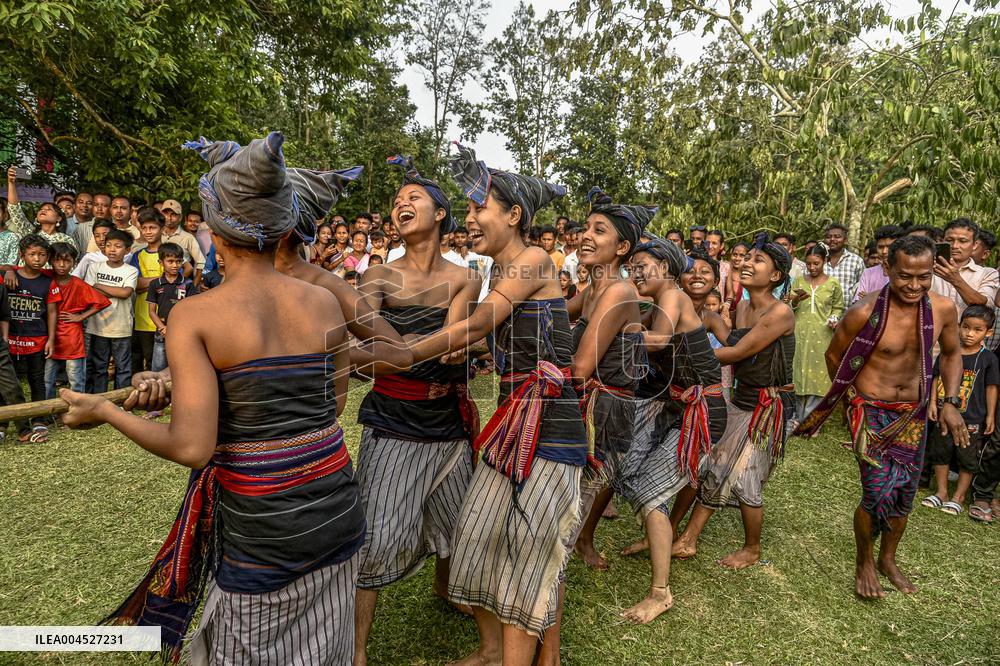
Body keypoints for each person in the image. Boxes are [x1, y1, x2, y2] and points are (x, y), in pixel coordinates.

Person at [62, 132, 381, 664]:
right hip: (336, 509)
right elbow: (329, 407)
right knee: (324, 646)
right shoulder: (326, 302)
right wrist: (187, 385)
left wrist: (105, 410)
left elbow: (192, 446)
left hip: (266, 530)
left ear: (216, 226)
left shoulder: (196, 314)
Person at [403, 143, 585, 666]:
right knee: (476, 537)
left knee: (529, 556)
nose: (471, 220)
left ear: (513, 215)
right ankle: (492, 648)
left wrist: (405, 351)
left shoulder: (531, 261)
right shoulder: (498, 276)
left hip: (551, 431)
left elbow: (481, 324)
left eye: (479, 208)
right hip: (511, 428)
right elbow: (488, 339)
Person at [352, 154, 482, 666]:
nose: (401, 205)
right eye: (397, 201)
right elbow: (358, 354)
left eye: (414, 198)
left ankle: (448, 590)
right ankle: (357, 649)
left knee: (461, 523)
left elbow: (463, 337)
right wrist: (420, 348)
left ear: (441, 214)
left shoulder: (465, 280)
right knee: (378, 535)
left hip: (448, 423)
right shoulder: (379, 277)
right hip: (394, 423)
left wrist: (461, 344)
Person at [796, 235, 967, 599]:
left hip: (915, 416)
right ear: (888, 269)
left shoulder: (943, 309)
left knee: (903, 494)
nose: (914, 285)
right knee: (876, 494)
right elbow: (834, 356)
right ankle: (865, 561)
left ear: (933, 271)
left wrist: (949, 401)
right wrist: (852, 402)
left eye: (923, 277)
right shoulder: (864, 311)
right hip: (872, 414)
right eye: (905, 276)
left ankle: (888, 558)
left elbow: (952, 355)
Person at [673, 234, 795, 569]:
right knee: (717, 466)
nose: (745, 263)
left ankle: (752, 549)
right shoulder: (741, 306)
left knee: (745, 478)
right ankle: (687, 540)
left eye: (757, 260)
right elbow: (732, 351)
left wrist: (679, 351)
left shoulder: (781, 311)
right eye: (746, 258)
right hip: (741, 398)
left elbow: (737, 352)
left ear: (775, 276)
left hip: (767, 407)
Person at [620, 240, 727, 613]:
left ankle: (661, 593)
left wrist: (606, 334)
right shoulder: (657, 303)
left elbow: (658, 341)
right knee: (627, 472)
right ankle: (656, 537)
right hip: (675, 406)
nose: (634, 272)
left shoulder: (674, 296)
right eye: (631, 266)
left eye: (642, 265)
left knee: (649, 490)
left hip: (702, 412)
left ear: (665, 267)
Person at [563, 189, 647, 614]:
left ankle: (580, 539)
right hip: (592, 400)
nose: (586, 236)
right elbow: (558, 314)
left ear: (623, 247)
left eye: (600, 230)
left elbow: (579, 366)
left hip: (610, 404)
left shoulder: (618, 292)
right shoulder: (592, 286)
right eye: (585, 228)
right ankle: (575, 538)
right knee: (580, 481)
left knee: (598, 478)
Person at [921, 305, 998, 515]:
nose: (969, 333)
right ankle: (942, 492)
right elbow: (936, 377)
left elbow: (992, 387)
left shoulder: (989, 359)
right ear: (958, 326)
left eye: (977, 329)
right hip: (943, 414)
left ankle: (959, 497)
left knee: (967, 457)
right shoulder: (948, 352)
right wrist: (932, 403)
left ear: (988, 332)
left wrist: (990, 415)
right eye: (965, 327)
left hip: (972, 418)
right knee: (941, 452)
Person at [6, 235, 61, 442]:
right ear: (22, 256)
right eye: (32, 254)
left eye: (42, 255)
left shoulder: (48, 282)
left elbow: (53, 312)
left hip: (37, 339)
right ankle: (3, 422)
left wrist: (51, 339)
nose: (37, 259)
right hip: (10, 340)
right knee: (8, 383)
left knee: (37, 380)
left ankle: (39, 419)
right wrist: (9, 269)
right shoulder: (9, 279)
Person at [45, 242, 109, 399]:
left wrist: (80, 316)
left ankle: (78, 411)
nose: (62, 265)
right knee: (47, 378)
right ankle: (46, 412)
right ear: (50, 260)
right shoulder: (45, 277)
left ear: (74, 262)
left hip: (71, 334)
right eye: (57, 260)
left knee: (76, 378)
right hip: (48, 332)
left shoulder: (78, 284)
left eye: (67, 261)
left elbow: (102, 302)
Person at [789, 244, 844, 423]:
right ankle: (797, 416)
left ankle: (812, 420)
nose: (812, 268)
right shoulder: (798, 281)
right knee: (798, 370)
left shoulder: (833, 283)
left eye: (816, 263)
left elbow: (838, 306)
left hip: (823, 335)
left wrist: (834, 317)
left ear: (825, 262)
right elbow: (789, 305)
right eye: (809, 264)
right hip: (800, 333)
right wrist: (797, 299)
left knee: (820, 374)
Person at [85, 229, 138, 392]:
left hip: (121, 327)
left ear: (127, 250)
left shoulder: (130, 271)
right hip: (98, 325)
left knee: (123, 367)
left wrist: (99, 285)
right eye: (108, 245)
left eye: (117, 246)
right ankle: (100, 400)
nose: (112, 249)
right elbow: (89, 292)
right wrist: (115, 289)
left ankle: (121, 401)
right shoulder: (95, 267)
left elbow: (125, 293)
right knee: (99, 366)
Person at [931, 218, 999, 312]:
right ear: (943, 241)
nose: (954, 246)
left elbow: (985, 306)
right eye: (949, 240)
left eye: (963, 241)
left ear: (974, 245)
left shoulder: (988, 273)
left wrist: (955, 279)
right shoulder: (930, 268)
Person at [129, 208, 167, 374]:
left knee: (158, 363)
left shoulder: (169, 252)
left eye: (152, 228)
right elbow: (134, 284)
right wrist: (160, 279)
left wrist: (146, 282)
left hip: (164, 318)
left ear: (162, 229)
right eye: (144, 228)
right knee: (137, 359)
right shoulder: (137, 255)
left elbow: (173, 281)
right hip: (141, 317)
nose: (148, 232)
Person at [147, 243, 195, 373]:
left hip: (182, 333)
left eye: (178, 261)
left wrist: (180, 328)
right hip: (161, 334)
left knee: (181, 369)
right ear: (161, 262)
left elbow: (191, 311)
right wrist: (162, 328)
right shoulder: (155, 284)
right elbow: (151, 311)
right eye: (170, 261)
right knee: (158, 370)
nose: (175, 265)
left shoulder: (188, 283)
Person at [6, 168, 78, 252]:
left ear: (59, 218)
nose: (43, 210)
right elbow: (14, 209)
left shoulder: (66, 240)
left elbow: (70, 262)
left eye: (49, 209)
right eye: (41, 209)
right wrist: (11, 183)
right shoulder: (30, 232)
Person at [160, 199, 207, 285]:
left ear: (180, 217)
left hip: (180, 286)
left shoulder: (188, 237)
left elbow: (201, 262)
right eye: (166, 214)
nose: (169, 218)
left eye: (173, 214)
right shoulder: (157, 235)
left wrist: (194, 285)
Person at [854, 225, 904, 303]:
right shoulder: (868, 273)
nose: (884, 251)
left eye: (889, 246)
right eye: (880, 247)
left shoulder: (907, 272)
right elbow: (859, 302)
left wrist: (871, 297)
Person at [823, 222, 865, 303]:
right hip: (821, 312)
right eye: (829, 237)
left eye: (837, 237)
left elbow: (862, 286)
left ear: (845, 240)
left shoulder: (856, 261)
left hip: (848, 312)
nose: (832, 239)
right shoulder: (817, 261)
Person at [724, 241, 749, 317]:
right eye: (735, 254)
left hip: (743, 316)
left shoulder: (750, 275)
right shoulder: (724, 270)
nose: (737, 258)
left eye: (742, 255)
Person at [705, 229, 731, 299]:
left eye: (714, 243)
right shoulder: (697, 264)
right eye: (708, 243)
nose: (710, 246)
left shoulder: (726, 267)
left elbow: (730, 293)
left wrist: (726, 305)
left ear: (721, 245)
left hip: (718, 308)